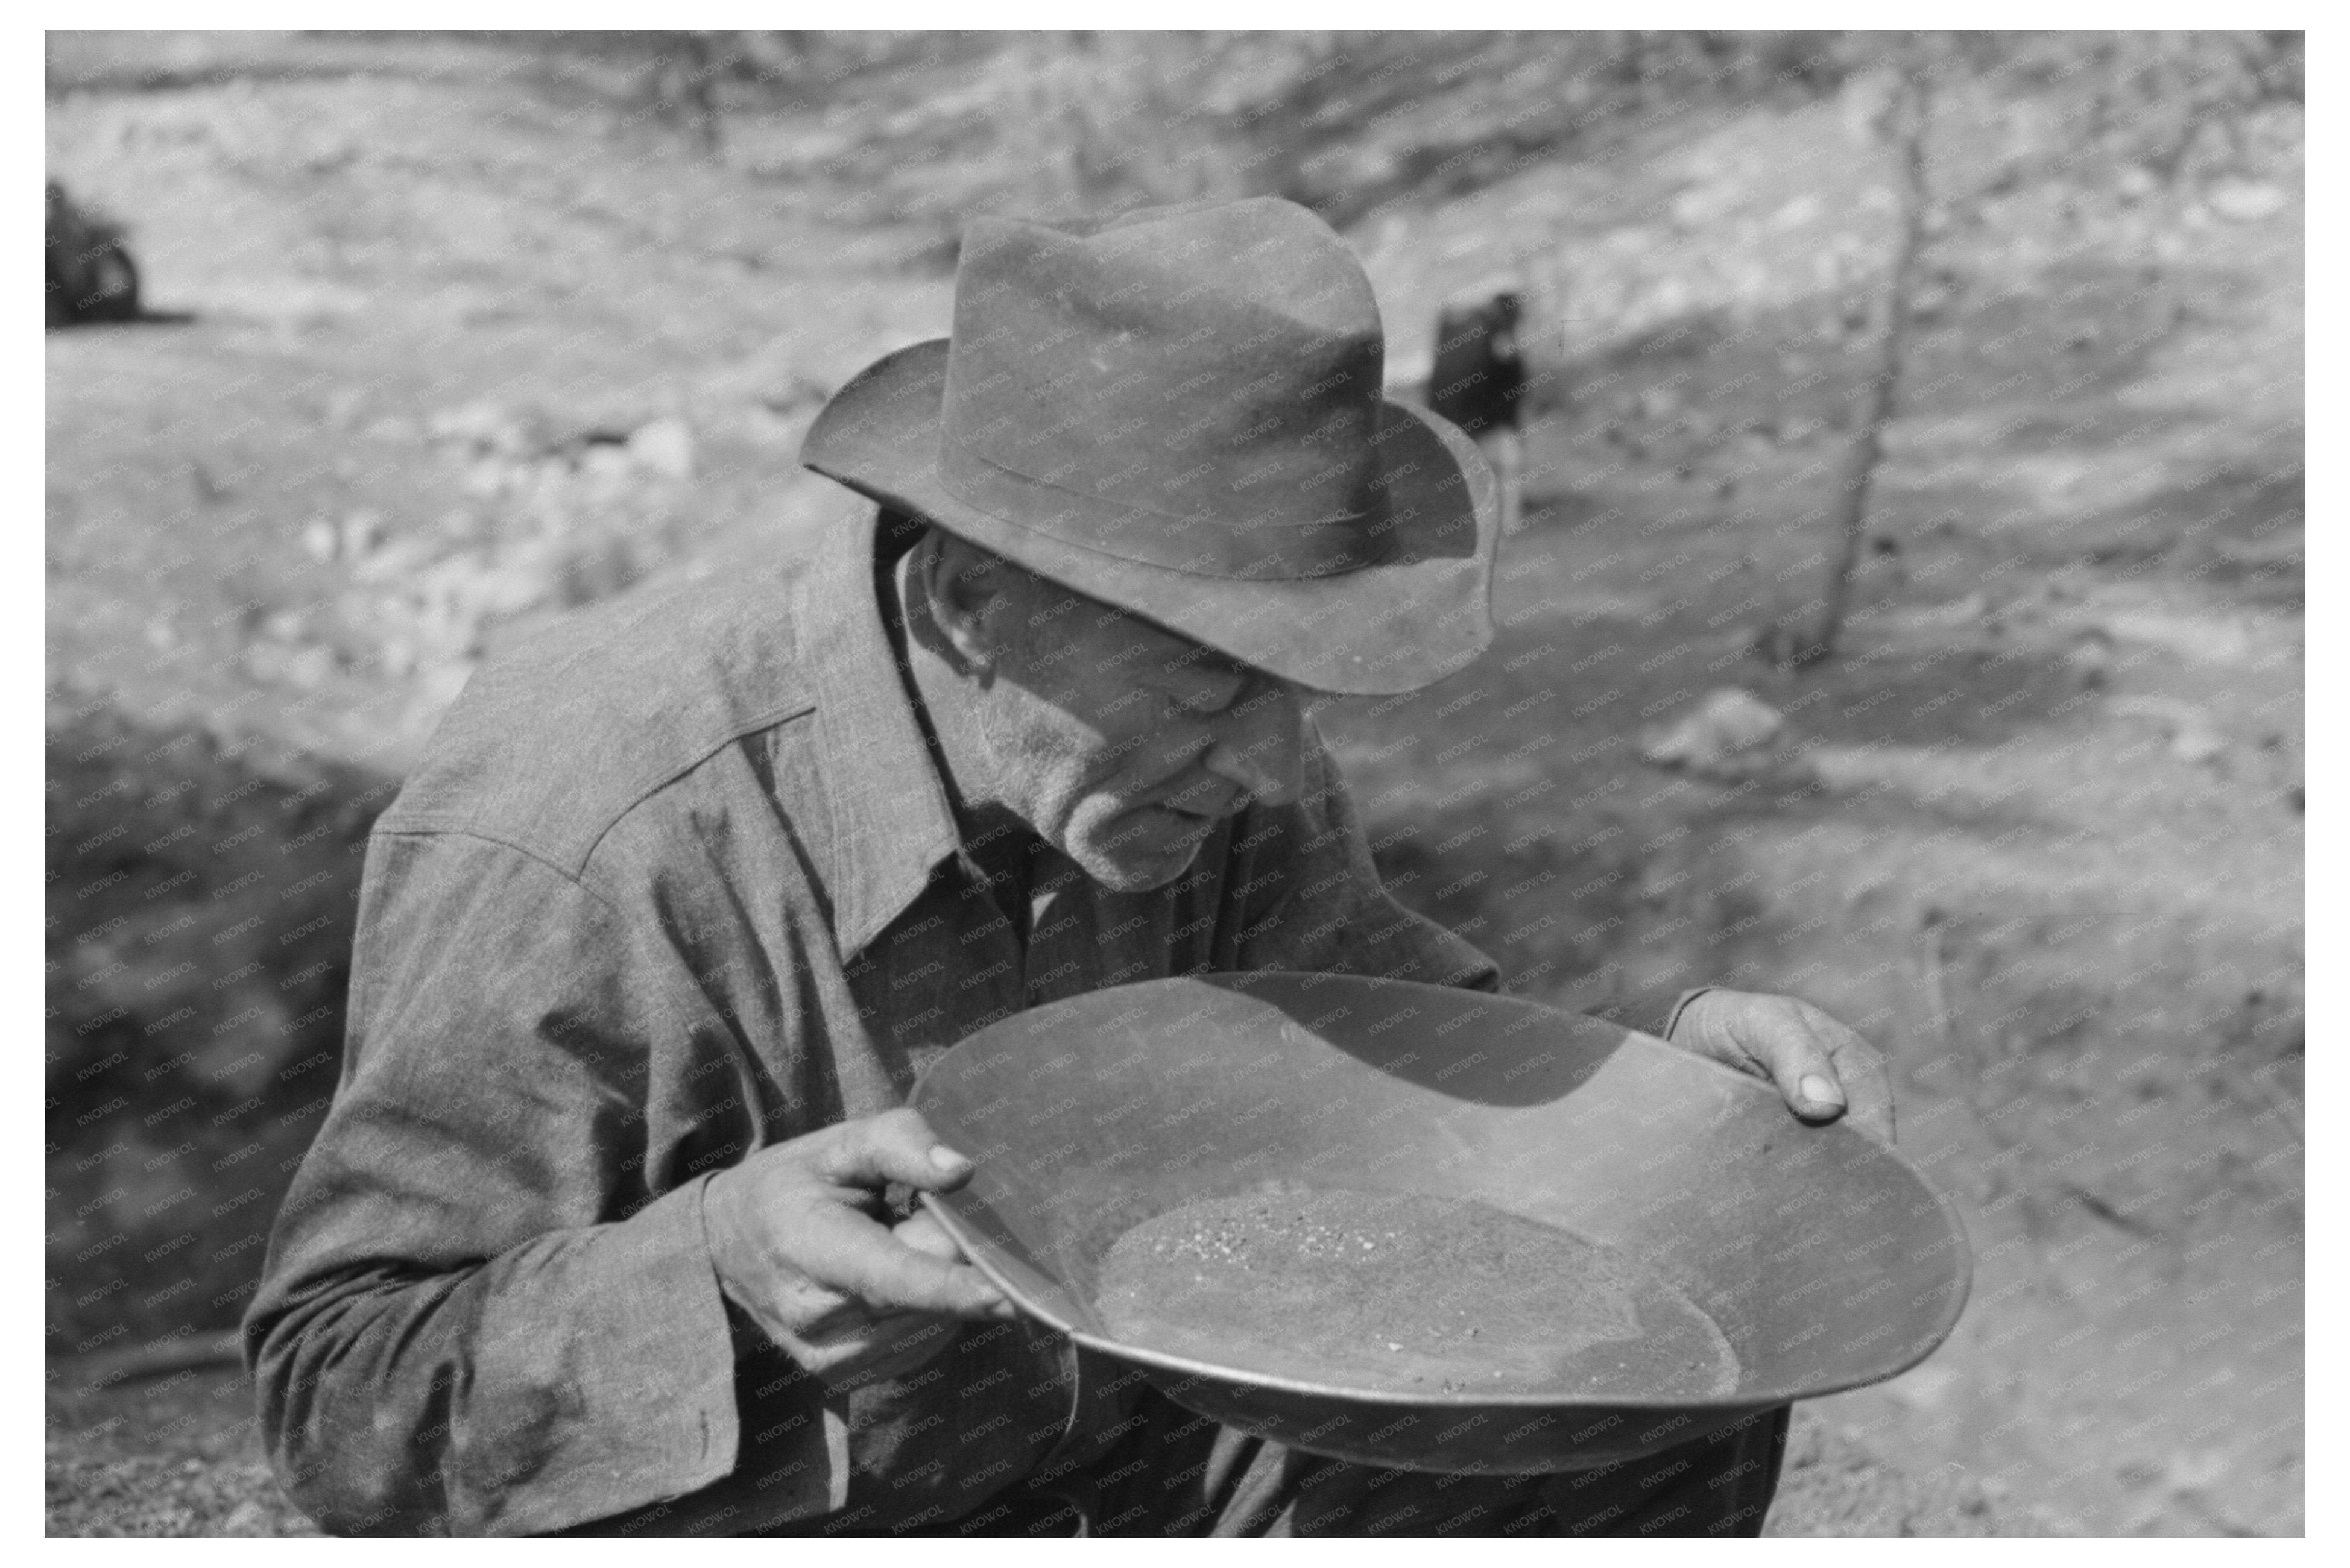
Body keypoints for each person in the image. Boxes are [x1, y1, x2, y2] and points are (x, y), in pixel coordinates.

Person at [245, 197, 1894, 1537]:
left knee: (1645, 1398)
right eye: (1206, 689)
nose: (1270, 763)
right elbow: (342, 1398)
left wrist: (1653, 1106)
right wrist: (719, 1263)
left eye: (1294, 690)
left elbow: (1411, 1087)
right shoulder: (592, 823)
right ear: (971, 604)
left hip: (1125, 1474)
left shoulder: (1217, 769)